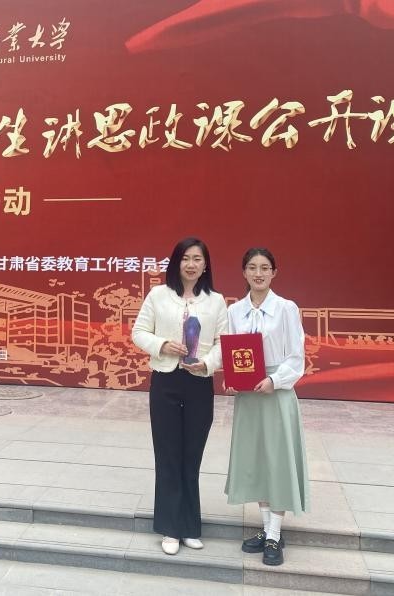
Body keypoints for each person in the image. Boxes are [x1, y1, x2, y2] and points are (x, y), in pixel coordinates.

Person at [132, 237, 229, 555]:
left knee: (192, 456)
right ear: (176, 262)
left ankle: (189, 527)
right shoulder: (158, 295)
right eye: (185, 258)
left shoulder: (216, 301)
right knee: (168, 455)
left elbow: (224, 342)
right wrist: (162, 345)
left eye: (197, 259)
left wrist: (208, 363)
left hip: (199, 382)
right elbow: (138, 332)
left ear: (206, 265)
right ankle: (170, 528)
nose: (191, 264)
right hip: (166, 381)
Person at [224, 247, 310, 566]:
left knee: (278, 461)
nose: (258, 273)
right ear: (244, 272)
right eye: (252, 267)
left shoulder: (286, 308)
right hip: (249, 397)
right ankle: (266, 527)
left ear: (274, 272)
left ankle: (274, 534)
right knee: (257, 460)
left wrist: (275, 380)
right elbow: (233, 352)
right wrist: (231, 378)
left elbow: (296, 357)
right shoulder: (235, 311)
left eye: (264, 267)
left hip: (277, 393)